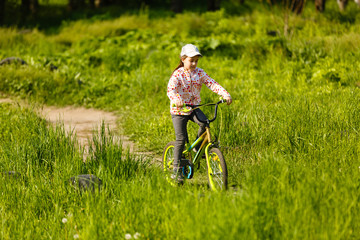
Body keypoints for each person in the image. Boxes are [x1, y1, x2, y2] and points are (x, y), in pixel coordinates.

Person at [167, 44, 232, 183]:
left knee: (204, 122)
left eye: (196, 60)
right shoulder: (177, 74)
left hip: (194, 107)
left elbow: (212, 83)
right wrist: (176, 99)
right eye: (191, 60)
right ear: (183, 59)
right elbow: (171, 90)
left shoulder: (199, 73)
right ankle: (176, 170)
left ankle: (197, 148)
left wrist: (225, 94)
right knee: (181, 140)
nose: (194, 63)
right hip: (179, 110)